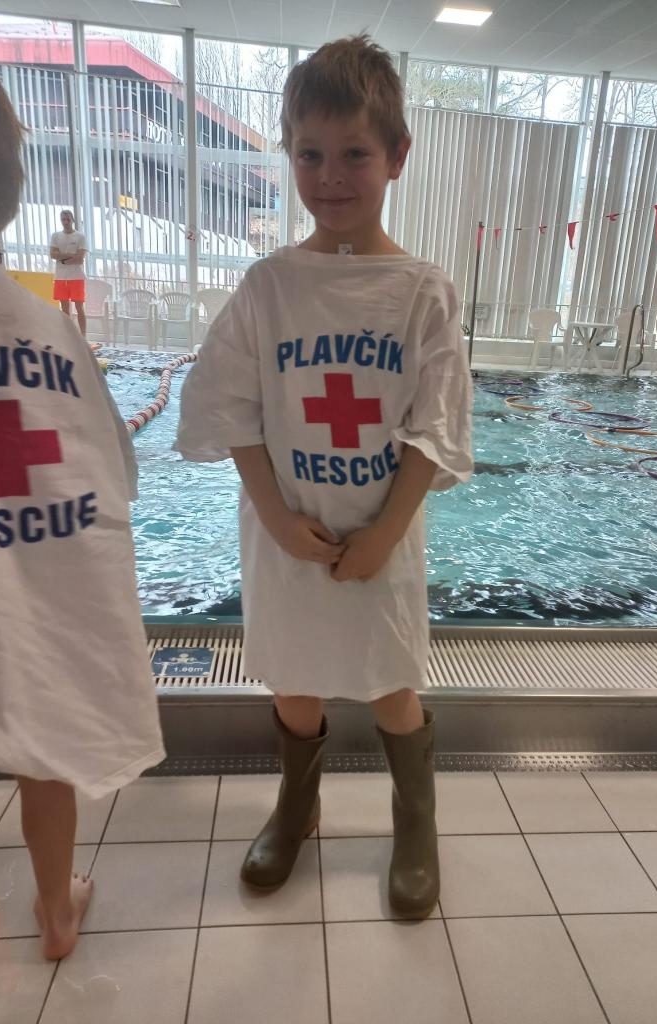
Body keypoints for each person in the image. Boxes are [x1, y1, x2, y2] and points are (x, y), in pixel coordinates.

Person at [176, 36, 473, 919]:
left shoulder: (421, 291)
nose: (330, 176)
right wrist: (273, 514)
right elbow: (229, 406)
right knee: (294, 680)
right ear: (288, 153)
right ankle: (297, 805)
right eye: (310, 154)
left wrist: (385, 532)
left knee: (391, 681)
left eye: (354, 154)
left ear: (398, 156)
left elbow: (438, 425)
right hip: (290, 534)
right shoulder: (269, 286)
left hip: (382, 535)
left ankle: (415, 822)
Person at [0, 64, 165, 960]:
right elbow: (114, 476)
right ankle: (57, 912)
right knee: (38, 748)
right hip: (12, 599)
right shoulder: (49, 332)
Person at [50, 208, 87, 336]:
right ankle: (69, 336)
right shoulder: (56, 236)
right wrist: (71, 255)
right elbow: (53, 255)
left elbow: (80, 259)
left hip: (77, 277)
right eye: (63, 219)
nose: (65, 222)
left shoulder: (80, 236)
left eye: (68, 219)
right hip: (61, 278)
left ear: (72, 220)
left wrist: (62, 258)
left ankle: (83, 337)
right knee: (65, 310)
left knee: (79, 308)